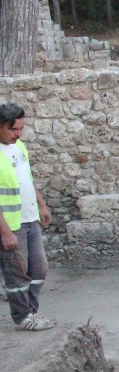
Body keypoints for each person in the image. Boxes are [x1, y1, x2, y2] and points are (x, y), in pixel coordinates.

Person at [0, 104, 55, 332]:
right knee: (17, 274)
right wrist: (5, 232)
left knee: (39, 269)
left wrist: (42, 205)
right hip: (11, 225)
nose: (19, 133)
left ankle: (32, 311)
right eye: (14, 129)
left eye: (21, 128)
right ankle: (22, 317)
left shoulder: (19, 147)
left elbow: (28, 180)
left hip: (30, 219)